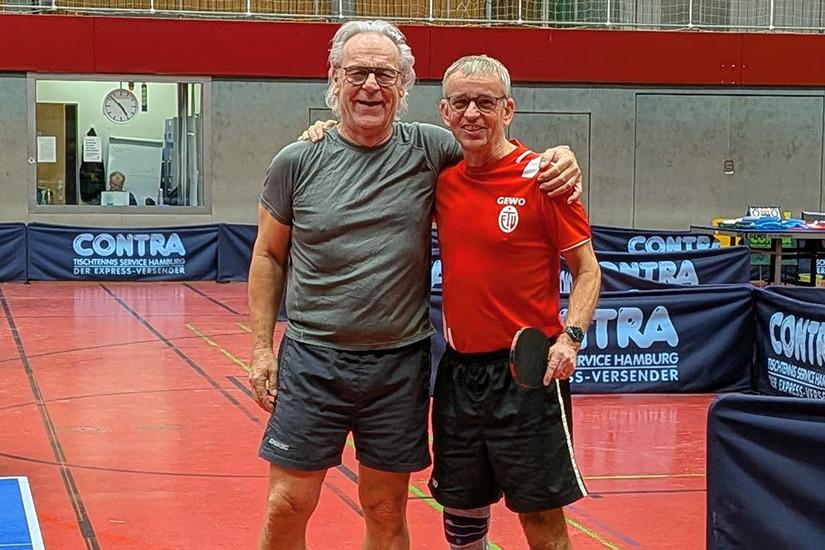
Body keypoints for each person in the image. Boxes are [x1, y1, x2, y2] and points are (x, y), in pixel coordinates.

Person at [247, 20, 582, 550]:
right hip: (313, 359)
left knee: (385, 508)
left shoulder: (431, 149)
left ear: (404, 86)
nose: (371, 85)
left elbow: (493, 148)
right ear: (335, 79)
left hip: (397, 364)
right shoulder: (296, 161)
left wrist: (559, 157)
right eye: (358, 72)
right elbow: (268, 255)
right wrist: (261, 348)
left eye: (385, 74)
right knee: (287, 502)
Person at [429, 55, 602, 550]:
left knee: (540, 518)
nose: (472, 114)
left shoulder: (545, 179)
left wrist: (571, 338)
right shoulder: (441, 179)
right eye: (461, 102)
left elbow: (587, 270)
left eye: (485, 102)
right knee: (462, 514)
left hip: (527, 376)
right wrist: (323, 128)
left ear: (508, 109)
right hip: (459, 374)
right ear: (444, 111)